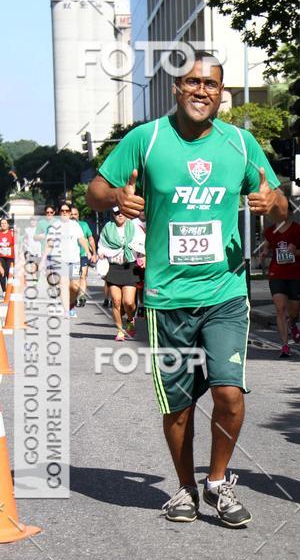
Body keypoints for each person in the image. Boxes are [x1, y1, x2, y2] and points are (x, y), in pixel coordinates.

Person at [86, 49, 287, 527]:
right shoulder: (146, 139)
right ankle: (184, 488)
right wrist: (116, 196)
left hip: (225, 291)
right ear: (176, 88)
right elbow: (96, 189)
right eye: (193, 82)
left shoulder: (240, 144)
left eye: (212, 84)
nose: (202, 91)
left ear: (222, 94)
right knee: (177, 406)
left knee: (229, 393)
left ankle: (217, 481)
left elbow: (278, 202)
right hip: (166, 296)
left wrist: (269, 202)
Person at [260, 206, 300, 357]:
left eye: (284, 210)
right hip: (277, 274)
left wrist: (296, 251)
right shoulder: (270, 231)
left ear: (290, 212)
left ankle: (292, 324)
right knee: (280, 309)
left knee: (294, 312)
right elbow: (266, 247)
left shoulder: (298, 230)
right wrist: (264, 252)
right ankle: (284, 345)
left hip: (296, 274)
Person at [97, 208, 139, 341]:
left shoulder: (134, 226)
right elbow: (101, 245)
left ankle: (131, 319)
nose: (120, 215)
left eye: (122, 212)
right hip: (114, 268)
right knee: (116, 301)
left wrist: (143, 256)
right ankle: (120, 331)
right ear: (112, 214)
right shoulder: (107, 228)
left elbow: (142, 243)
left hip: (130, 267)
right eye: (116, 213)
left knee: (129, 302)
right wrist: (101, 252)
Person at [42, 203, 92, 314]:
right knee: (63, 284)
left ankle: (71, 304)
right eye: (62, 211)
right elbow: (49, 243)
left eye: (67, 211)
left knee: (74, 287)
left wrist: (88, 251)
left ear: (70, 213)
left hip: (74, 260)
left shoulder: (75, 225)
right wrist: (43, 259)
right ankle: (66, 310)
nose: (65, 213)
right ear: (59, 213)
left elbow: (81, 239)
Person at [71, 205, 97, 307]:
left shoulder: (84, 225)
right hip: (70, 257)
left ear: (78, 215)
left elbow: (90, 239)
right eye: (71, 214)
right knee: (72, 279)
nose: (73, 216)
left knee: (83, 275)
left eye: (75, 214)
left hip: (82, 255)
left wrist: (94, 253)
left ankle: (81, 296)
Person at [0, 217, 15, 292]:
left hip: (10, 257)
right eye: (2, 223)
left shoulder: (12, 233)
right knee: (1, 273)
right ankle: (4, 291)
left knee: (10, 274)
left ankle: (11, 290)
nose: (3, 225)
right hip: (1, 257)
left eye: (5, 223)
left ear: (8, 224)